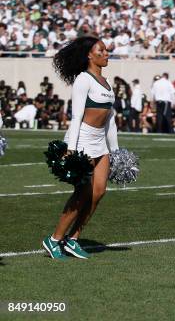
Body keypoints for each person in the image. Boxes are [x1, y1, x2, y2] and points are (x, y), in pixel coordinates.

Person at [42, 35, 118, 260]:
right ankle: (54, 240)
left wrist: (116, 151)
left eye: (106, 50)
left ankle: (72, 239)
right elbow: (76, 117)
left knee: (99, 192)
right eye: (101, 51)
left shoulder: (106, 82)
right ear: (89, 55)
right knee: (82, 193)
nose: (106, 54)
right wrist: (72, 149)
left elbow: (110, 119)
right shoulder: (83, 80)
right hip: (82, 139)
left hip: (100, 142)